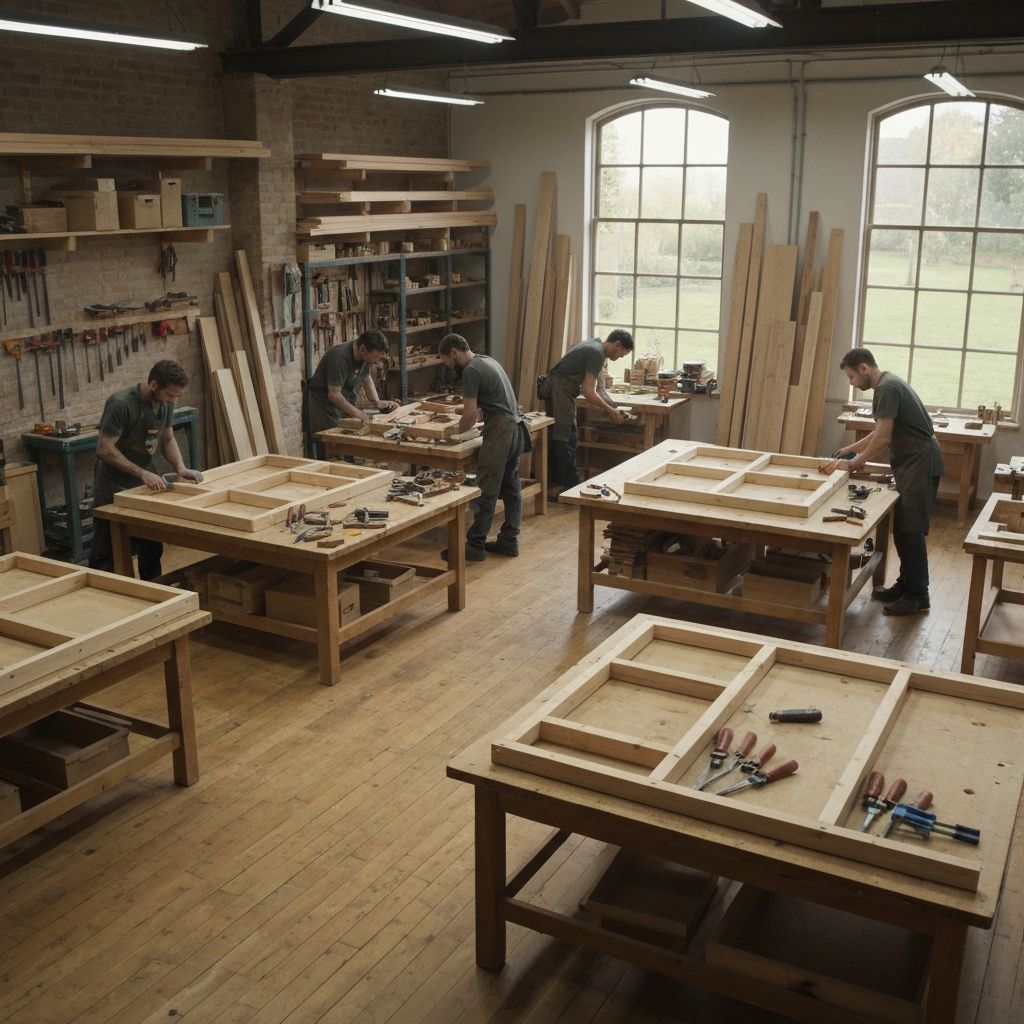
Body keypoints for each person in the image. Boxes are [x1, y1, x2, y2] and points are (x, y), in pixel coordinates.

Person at [820, 347, 943, 616]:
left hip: (920, 463)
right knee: (902, 528)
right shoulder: (887, 385)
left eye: (852, 377)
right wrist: (851, 449)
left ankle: (918, 595)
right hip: (912, 463)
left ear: (864, 369)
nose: (852, 383)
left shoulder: (886, 388)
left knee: (911, 531)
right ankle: (905, 584)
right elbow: (879, 432)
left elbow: (884, 439)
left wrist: (855, 463)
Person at [89, 359, 201, 580]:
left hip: (145, 480)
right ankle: (103, 596)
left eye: (177, 396)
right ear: (153, 385)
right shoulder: (121, 404)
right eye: (170, 395)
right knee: (106, 548)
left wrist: (180, 467)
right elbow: (104, 448)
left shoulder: (166, 404)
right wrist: (142, 473)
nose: (173, 401)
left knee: (150, 544)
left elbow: (167, 437)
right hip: (113, 482)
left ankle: (153, 593)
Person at [438, 334, 531, 561]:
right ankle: (509, 541)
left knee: (485, 491)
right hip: (515, 427)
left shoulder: (471, 371)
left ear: (453, 353)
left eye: (446, 362)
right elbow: (481, 405)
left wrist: (453, 437)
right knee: (511, 488)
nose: (448, 367)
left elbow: (470, 415)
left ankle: (475, 545)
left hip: (501, 433)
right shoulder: (487, 360)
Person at [540, 329, 634, 493]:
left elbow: (600, 389)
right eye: (621, 354)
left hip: (565, 391)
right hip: (559, 390)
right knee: (565, 437)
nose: (619, 358)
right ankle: (567, 486)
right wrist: (611, 412)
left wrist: (615, 408)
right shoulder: (595, 352)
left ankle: (568, 483)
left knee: (570, 435)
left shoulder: (598, 349)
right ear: (617, 344)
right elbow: (589, 392)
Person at [306, 329, 399, 457]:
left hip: (344, 399)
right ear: (362, 349)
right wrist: (357, 413)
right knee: (330, 444)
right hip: (325, 404)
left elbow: (366, 377)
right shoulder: (339, 356)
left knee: (349, 440)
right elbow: (333, 394)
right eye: (376, 357)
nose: (377, 361)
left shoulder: (365, 356)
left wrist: (377, 402)